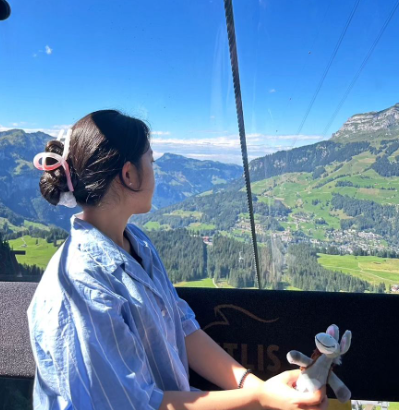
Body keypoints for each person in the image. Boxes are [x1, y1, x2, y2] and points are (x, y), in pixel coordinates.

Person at [28, 110, 328, 410]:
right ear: (129, 175)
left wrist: (258, 388)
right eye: (151, 161)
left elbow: (182, 327)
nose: (155, 171)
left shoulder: (137, 243)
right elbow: (137, 405)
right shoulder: (82, 285)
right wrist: (261, 399)